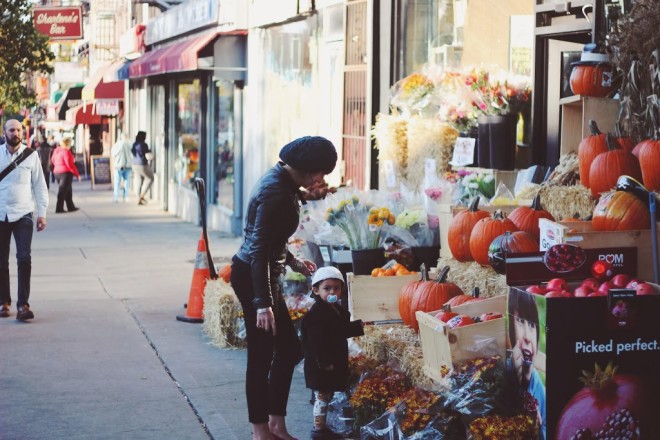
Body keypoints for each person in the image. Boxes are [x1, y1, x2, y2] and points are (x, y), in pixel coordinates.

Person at [230, 136, 338, 440]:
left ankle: (276, 424)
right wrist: (262, 303)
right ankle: (260, 431)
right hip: (254, 277)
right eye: (321, 173)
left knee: (289, 349)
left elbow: (271, 240)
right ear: (309, 169)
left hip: (264, 274)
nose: (321, 180)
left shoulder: (284, 184)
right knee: (261, 355)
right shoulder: (275, 191)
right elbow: (258, 248)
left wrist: (293, 261)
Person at [301, 266, 364, 439]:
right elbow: (316, 343)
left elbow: (338, 330)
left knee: (326, 395)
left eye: (336, 288)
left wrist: (357, 326)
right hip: (321, 364)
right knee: (322, 395)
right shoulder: (316, 315)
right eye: (327, 288)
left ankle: (322, 427)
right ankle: (318, 430)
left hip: (331, 362)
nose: (332, 292)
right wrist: (325, 361)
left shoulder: (335, 310)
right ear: (316, 290)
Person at [0, 119, 49, 321]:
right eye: (12, 130)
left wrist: (42, 212)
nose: (16, 133)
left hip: (23, 213)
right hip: (0, 213)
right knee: (1, 260)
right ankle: (3, 302)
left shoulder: (31, 155)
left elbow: (39, 185)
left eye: (19, 130)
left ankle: (23, 305)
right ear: (4, 132)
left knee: (24, 258)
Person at [507, 289, 546, 439]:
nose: (528, 338)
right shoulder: (503, 376)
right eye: (521, 322)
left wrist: (538, 429)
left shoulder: (538, 386)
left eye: (531, 324)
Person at [51, 137, 81, 213]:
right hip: (65, 173)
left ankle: (71, 206)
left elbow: (53, 160)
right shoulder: (66, 152)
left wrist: (58, 166)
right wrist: (77, 174)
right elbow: (70, 164)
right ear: (68, 144)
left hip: (57, 172)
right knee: (62, 190)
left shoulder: (56, 150)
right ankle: (59, 208)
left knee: (68, 190)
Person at [131, 131, 154, 206]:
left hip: (134, 164)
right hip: (142, 164)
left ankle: (139, 197)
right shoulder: (143, 144)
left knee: (139, 180)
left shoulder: (135, 144)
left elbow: (133, 152)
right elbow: (147, 153)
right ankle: (141, 196)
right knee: (150, 178)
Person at [111, 133, 133, 203]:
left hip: (119, 165)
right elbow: (133, 154)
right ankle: (125, 196)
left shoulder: (117, 145)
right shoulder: (130, 144)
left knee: (117, 182)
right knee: (126, 182)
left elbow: (113, 154)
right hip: (126, 165)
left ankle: (116, 197)